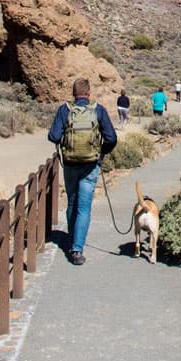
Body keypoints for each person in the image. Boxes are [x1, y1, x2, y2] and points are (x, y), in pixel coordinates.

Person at [47, 78, 117, 266]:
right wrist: (101, 153)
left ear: (73, 93)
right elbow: (111, 138)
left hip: (70, 163)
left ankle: (71, 240)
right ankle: (77, 249)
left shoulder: (65, 110)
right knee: (84, 207)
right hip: (90, 165)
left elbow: (53, 136)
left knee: (72, 202)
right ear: (89, 93)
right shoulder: (98, 110)